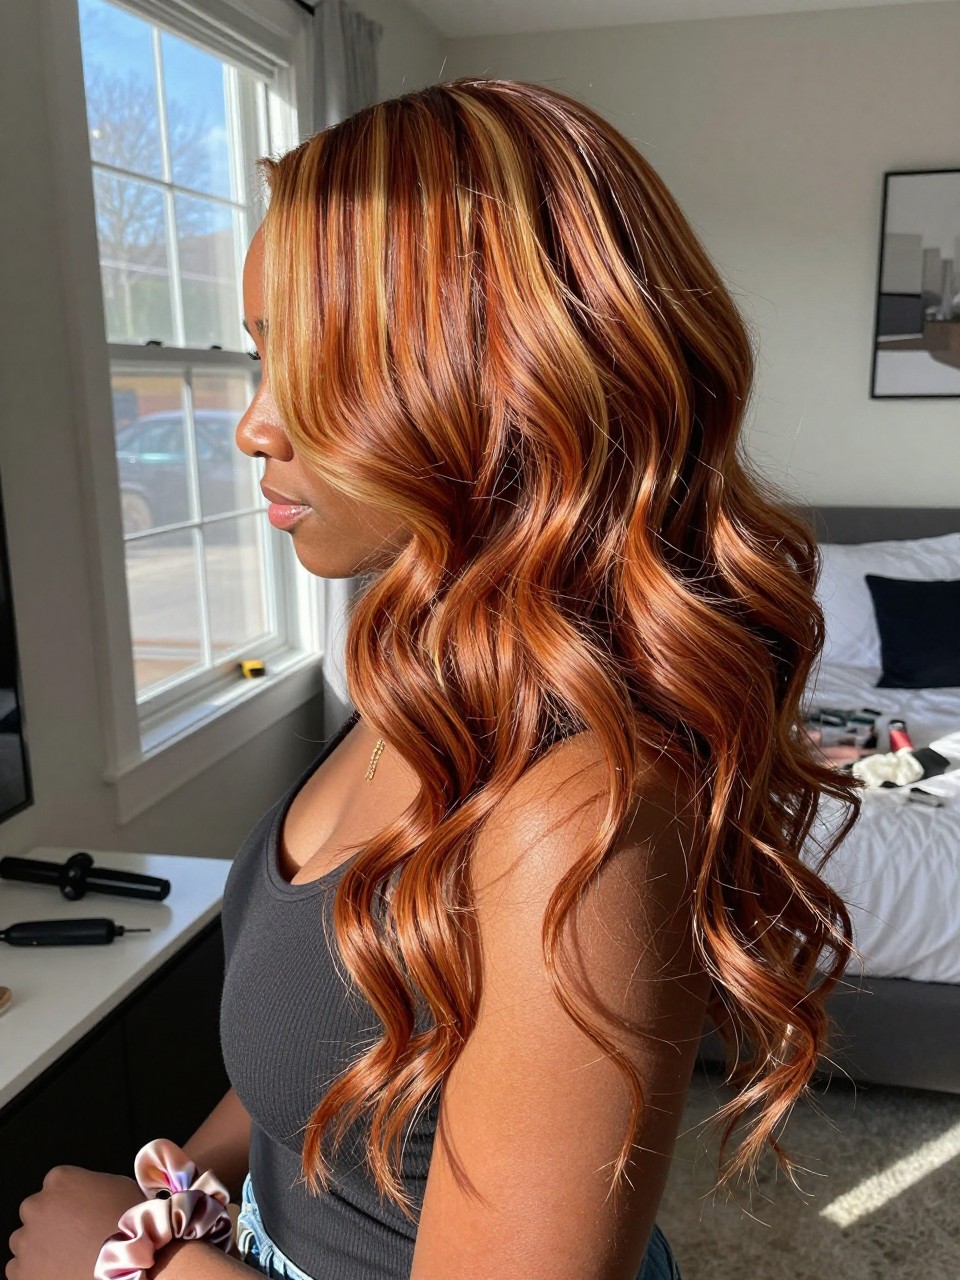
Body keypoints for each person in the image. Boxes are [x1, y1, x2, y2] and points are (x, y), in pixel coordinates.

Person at [157, 77, 861, 1278]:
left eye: (319, 362)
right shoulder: (417, 676)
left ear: (501, 375)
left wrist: (127, 1265)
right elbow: (313, 1051)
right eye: (259, 353)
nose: (255, 424)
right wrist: (179, 1189)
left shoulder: (574, 817)